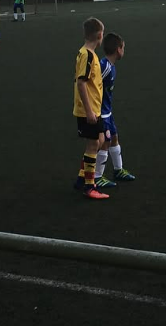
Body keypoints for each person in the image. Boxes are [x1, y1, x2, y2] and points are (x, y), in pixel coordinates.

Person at [93, 32, 136, 188]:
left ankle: (118, 170)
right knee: (105, 143)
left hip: (107, 112)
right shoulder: (104, 67)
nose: (124, 50)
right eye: (123, 47)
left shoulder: (111, 67)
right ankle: (97, 176)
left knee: (115, 138)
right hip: (101, 113)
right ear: (118, 49)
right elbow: (92, 82)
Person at [73, 17, 108, 200]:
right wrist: (88, 111)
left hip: (95, 108)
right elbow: (81, 83)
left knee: (99, 139)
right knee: (93, 144)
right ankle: (89, 185)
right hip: (89, 110)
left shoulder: (88, 54)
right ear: (100, 35)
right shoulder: (87, 55)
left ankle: (81, 178)